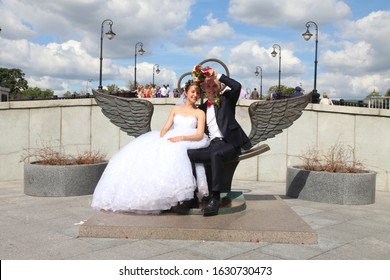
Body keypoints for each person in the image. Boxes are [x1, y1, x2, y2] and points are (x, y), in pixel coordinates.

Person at [91, 79, 210, 214]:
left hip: (188, 139)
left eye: (198, 93)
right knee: (155, 154)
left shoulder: (199, 113)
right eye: (193, 91)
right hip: (172, 137)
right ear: (186, 93)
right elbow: (166, 128)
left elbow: (200, 134)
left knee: (176, 153)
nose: (195, 95)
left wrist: (181, 138)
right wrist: (161, 140)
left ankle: (181, 197)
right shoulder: (176, 109)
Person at [180, 67, 252, 217]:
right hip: (212, 145)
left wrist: (217, 75)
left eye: (214, 85)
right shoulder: (202, 109)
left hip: (230, 144)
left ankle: (215, 197)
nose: (211, 89)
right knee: (189, 154)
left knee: (217, 154)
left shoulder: (227, 100)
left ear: (219, 87)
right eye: (208, 86)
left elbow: (237, 86)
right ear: (204, 89)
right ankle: (193, 195)